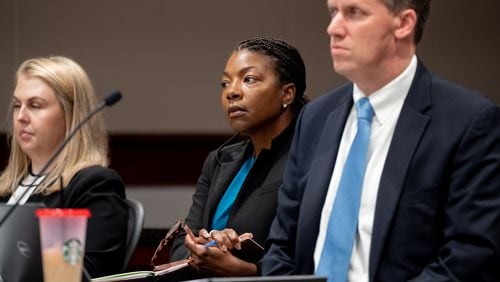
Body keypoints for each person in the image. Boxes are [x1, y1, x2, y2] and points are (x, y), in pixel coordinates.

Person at [261, 0, 500, 281]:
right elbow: (281, 243)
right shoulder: (315, 117)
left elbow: (469, 258)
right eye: (333, 12)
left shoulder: (468, 121)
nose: (333, 28)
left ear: (403, 23)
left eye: (354, 13)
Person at [169, 37, 309, 277]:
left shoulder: (308, 157)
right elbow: (181, 247)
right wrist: (205, 245)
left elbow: (308, 251)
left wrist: (246, 271)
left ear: (287, 93)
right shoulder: (220, 160)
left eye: (249, 79)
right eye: (225, 83)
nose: (231, 92)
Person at [0, 56, 128, 278]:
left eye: (35, 105)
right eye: (16, 105)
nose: (21, 117)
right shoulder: (5, 187)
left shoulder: (94, 184)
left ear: (71, 114)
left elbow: (90, 274)